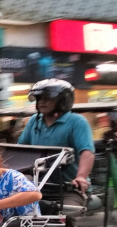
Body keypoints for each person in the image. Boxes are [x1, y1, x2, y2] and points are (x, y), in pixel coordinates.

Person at [18, 79, 94, 210]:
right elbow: (20, 151)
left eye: (47, 98)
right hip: (38, 185)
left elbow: (87, 152)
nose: (42, 101)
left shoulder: (77, 122)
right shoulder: (33, 122)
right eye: (39, 98)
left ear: (62, 101)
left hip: (69, 188)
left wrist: (81, 177)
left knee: (65, 214)